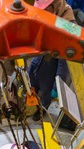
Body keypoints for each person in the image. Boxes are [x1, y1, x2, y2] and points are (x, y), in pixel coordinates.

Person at [28, 0, 77, 131]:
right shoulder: (50, 15)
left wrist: (58, 84)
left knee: (45, 92)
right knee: (31, 81)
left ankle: (41, 109)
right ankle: (33, 99)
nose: (42, 13)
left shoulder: (67, 27)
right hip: (39, 59)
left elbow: (64, 62)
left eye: (44, 10)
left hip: (50, 68)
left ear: (54, 6)